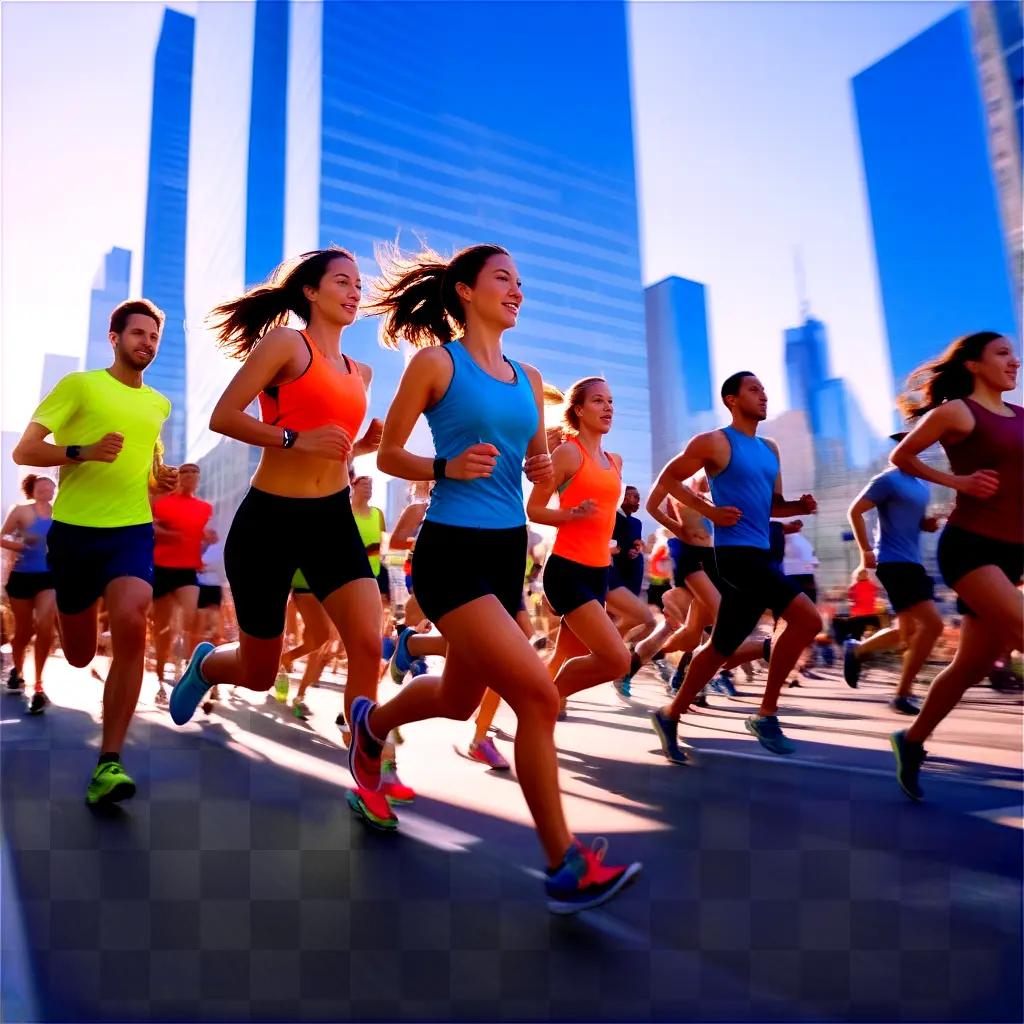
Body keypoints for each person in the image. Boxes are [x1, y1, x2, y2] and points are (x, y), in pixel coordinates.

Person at [349, 242, 641, 912]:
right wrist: (446, 469)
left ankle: (371, 728)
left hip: (508, 550)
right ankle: (564, 864)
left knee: (456, 698)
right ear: (465, 292)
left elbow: (536, 466)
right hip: (451, 550)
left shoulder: (528, 376)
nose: (517, 290)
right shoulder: (434, 363)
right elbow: (392, 455)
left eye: (520, 281)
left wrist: (543, 472)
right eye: (503, 279)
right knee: (538, 696)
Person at [165, 248, 395, 826]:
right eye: (341, 281)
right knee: (261, 671)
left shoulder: (360, 373)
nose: (353, 291)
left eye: (357, 283)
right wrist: (294, 440)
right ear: (311, 292)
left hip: (331, 521)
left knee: (368, 642)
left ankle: (368, 778)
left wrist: (359, 447)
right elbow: (225, 416)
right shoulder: (287, 345)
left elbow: (332, 441)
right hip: (269, 521)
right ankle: (207, 666)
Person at [12, 299, 175, 803]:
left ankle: (110, 762)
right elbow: (25, 451)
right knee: (80, 655)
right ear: (114, 337)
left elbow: (149, 466)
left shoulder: (158, 405)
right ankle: (70, 616)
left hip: (130, 530)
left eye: (153, 337)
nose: (145, 343)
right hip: (75, 533)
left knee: (131, 621)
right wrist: (80, 451)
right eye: (137, 334)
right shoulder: (80, 386)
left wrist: (161, 478)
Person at [648, 371, 821, 762]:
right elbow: (668, 479)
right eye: (753, 390)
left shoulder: (769, 449)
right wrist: (710, 511)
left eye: (764, 390)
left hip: (760, 552)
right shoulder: (714, 442)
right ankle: (767, 714)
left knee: (719, 647)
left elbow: (772, 505)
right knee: (809, 620)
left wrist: (798, 507)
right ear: (731, 399)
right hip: (734, 556)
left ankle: (669, 713)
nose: (763, 396)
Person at [889, 331, 1022, 800]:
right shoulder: (959, 412)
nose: (1015, 361)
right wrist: (957, 481)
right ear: (973, 365)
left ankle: (910, 741)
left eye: (1015, 354)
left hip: (1013, 551)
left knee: (972, 663)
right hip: (971, 549)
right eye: (1003, 354)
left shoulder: (1022, 417)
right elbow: (901, 454)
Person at [526, 376, 631, 709]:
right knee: (617, 659)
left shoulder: (615, 461)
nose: (608, 407)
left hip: (598, 571)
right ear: (579, 410)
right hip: (568, 570)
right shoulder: (568, 454)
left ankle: (536, 699)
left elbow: (602, 517)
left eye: (611, 401)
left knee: (569, 652)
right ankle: (545, 702)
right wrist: (571, 514)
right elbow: (534, 509)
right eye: (598, 401)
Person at [845, 433, 944, 714]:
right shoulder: (887, 480)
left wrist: (926, 524)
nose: (917, 450)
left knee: (907, 631)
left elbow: (913, 522)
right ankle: (902, 694)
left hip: (913, 562)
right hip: (893, 562)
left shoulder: (922, 484)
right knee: (933, 625)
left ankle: (858, 650)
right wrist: (865, 549)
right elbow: (855, 511)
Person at [150, 463, 214, 702]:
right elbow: (149, 527)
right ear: (179, 478)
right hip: (161, 569)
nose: (190, 477)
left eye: (194, 474)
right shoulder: (161, 503)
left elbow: (202, 535)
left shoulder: (205, 508)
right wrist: (166, 533)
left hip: (187, 570)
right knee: (162, 630)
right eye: (185, 473)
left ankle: (190, 668)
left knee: (193, 616)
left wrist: (207, 537)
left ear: (198, 479)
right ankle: (159, 680)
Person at [1, 475, 57, 713]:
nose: (47, 489)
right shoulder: (21, 511)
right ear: (32, 489)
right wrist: (24, 545)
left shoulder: (62, 513)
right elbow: (1, 537)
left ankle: (39, 684)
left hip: (49, 577)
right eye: (42, 486)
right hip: (23, 576)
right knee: (23, 631)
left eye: (50, 486)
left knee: (45, 626)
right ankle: (18, 671)